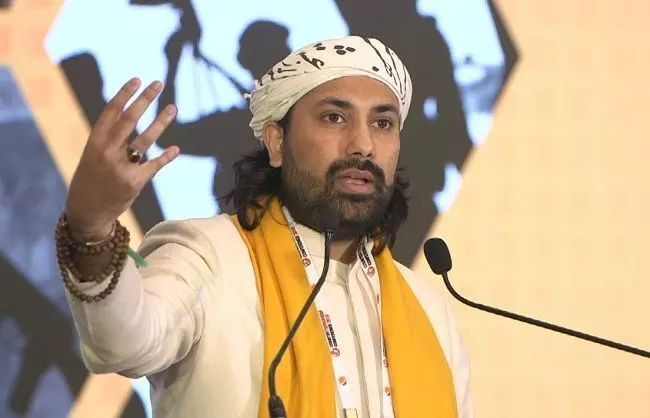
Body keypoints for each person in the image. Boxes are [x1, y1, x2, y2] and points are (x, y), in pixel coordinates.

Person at [56, 36, 474, 418]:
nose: (363, 145)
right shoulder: (208, 254)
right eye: (334, 117)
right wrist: (92, 228)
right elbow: (123, 344)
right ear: (276, 142)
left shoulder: (427, 306)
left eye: (382, 123)